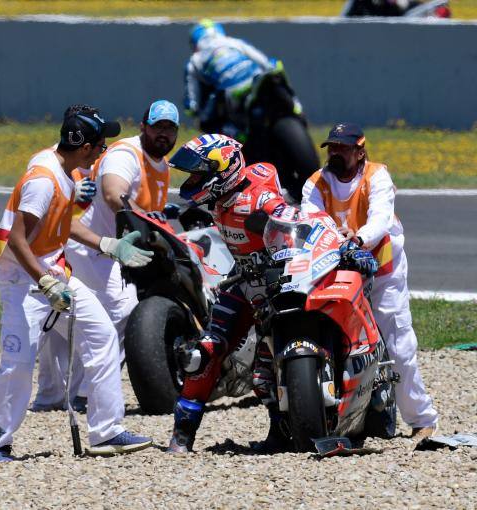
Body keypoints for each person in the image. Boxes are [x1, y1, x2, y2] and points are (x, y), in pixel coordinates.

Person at [165, 133, 378, 453]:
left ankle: (288, 428)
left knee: (267, 370)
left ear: (223, 170)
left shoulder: (259, 195)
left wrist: (342, 245)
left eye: (200, 173)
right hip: (244, 281)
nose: (193, 180)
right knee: (203, 353)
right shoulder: (222, 196)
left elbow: (298, 218)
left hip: (281, 277)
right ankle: (181, 438)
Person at [0, 108, 154, 461]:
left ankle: (107, 432)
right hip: (23, 279)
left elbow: (60, 223)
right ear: (86, 147)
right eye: (101, 143)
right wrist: (44, 282)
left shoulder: (65, 170)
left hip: (54, 273)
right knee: (19, 362)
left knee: (102, 334)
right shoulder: (44, 179)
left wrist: (106, 245)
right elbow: (17, 240)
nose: (105, 149)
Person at [33, 99, 181, 413]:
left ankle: (52, 395)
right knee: (122, 308)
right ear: (144, 127)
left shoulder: (163, 167)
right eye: (158, 127)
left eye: (170, 128)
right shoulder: (126, 155)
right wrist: (140, 221)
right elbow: (116, 193)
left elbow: (144, 206)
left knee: (64, 318)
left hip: (101, 247)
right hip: (87, 246)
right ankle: (88, 391)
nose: (163, 135)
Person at [301, 122, 439, 439]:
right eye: (331, 147)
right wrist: (338, 237)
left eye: (343, 148)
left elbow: (380, 219)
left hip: (382, 271)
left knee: (398, 345)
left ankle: (422, 419)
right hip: (334, 270)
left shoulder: (377, 176)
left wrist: (358, 239)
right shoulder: (315, 183)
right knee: (335, 342)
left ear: (360, 150)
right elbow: (310, 218)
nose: (335, 153)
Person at [183, 19, 275, 140]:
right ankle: (295, 109)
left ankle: (236, 139)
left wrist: (192, 109)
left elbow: (192, 102)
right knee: (276, 77)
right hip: (256, 79)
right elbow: (265, 62)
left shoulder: (194, 60)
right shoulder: (234, 42)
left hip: (228, 90)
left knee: (205, 122)